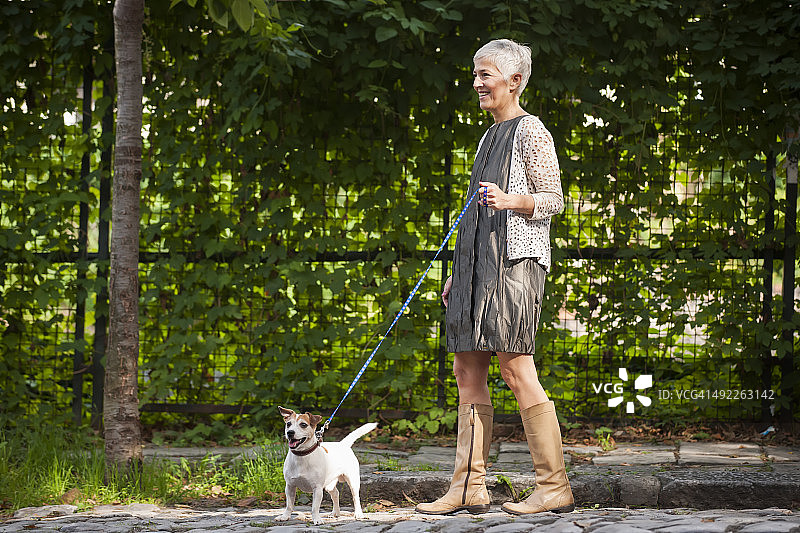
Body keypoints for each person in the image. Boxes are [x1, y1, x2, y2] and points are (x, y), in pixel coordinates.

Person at [415, 39, 574, 516]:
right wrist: (458, 274)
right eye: (476, 74)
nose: (477, 83)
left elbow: (555, 200)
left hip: (515, 266)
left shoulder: (533, 132)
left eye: (486, 75)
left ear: (515, 81)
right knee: (467, 371)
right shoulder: (487, 137)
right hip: (474, 267)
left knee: (515, 369)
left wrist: (513, 201)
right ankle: (469, 488)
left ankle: (554, 486)